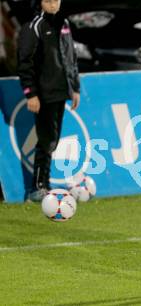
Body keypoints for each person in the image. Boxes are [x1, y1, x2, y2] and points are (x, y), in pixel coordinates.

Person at [17, 0, 80, 202]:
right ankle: (36, 188)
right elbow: (25, 62)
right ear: (40, 3)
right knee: (46, 141)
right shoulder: (33, 27)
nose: (53, 4)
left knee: (52, 140)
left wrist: (75, 87)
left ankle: (45, 183)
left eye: (56, 0)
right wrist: (30, 94)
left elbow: (71, 57)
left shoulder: (65, 24)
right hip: (43, 95)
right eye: (48, 1)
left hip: (61, 92)